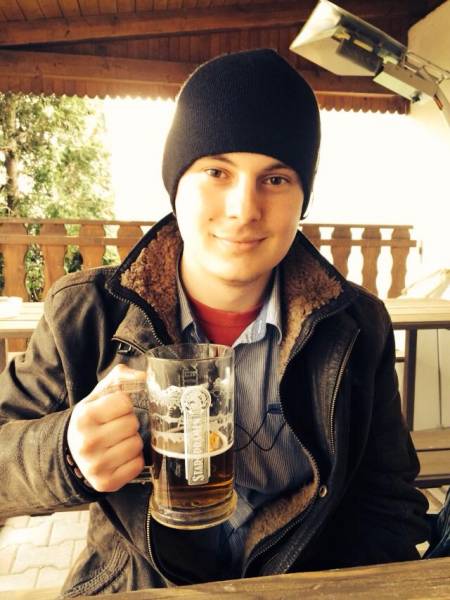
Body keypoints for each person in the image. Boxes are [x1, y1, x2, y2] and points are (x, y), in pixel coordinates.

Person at [0, 49, 429, 596]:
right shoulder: (87, 312)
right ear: (175, 186)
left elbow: (387, 501)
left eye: (276, 178)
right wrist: (65, 452)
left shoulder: (357, 325)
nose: (243, 209)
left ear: (303, 198)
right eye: (216, 171)